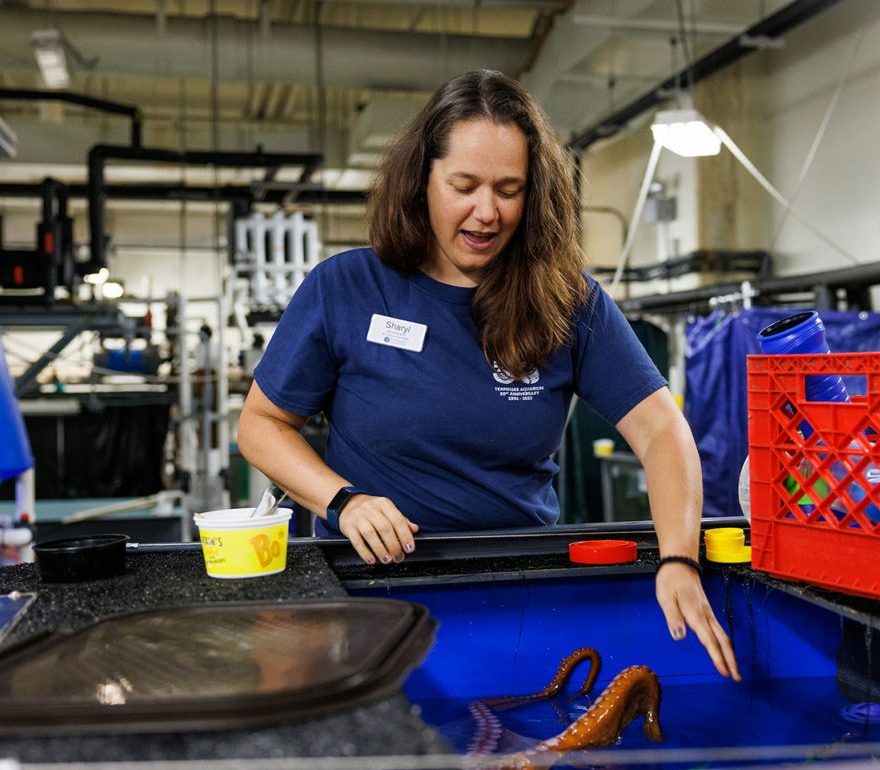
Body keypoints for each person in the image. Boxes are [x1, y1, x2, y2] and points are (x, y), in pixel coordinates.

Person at [237, 69, 740, 681]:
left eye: (509, 189)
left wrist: (679, 558)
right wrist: (343, 502)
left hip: (521, 594)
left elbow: (663, 430)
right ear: (422, 180)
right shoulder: (345, 287)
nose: (487, 212)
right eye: (464, 185)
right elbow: (261, 425)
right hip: (370, 596)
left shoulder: (567, 301)